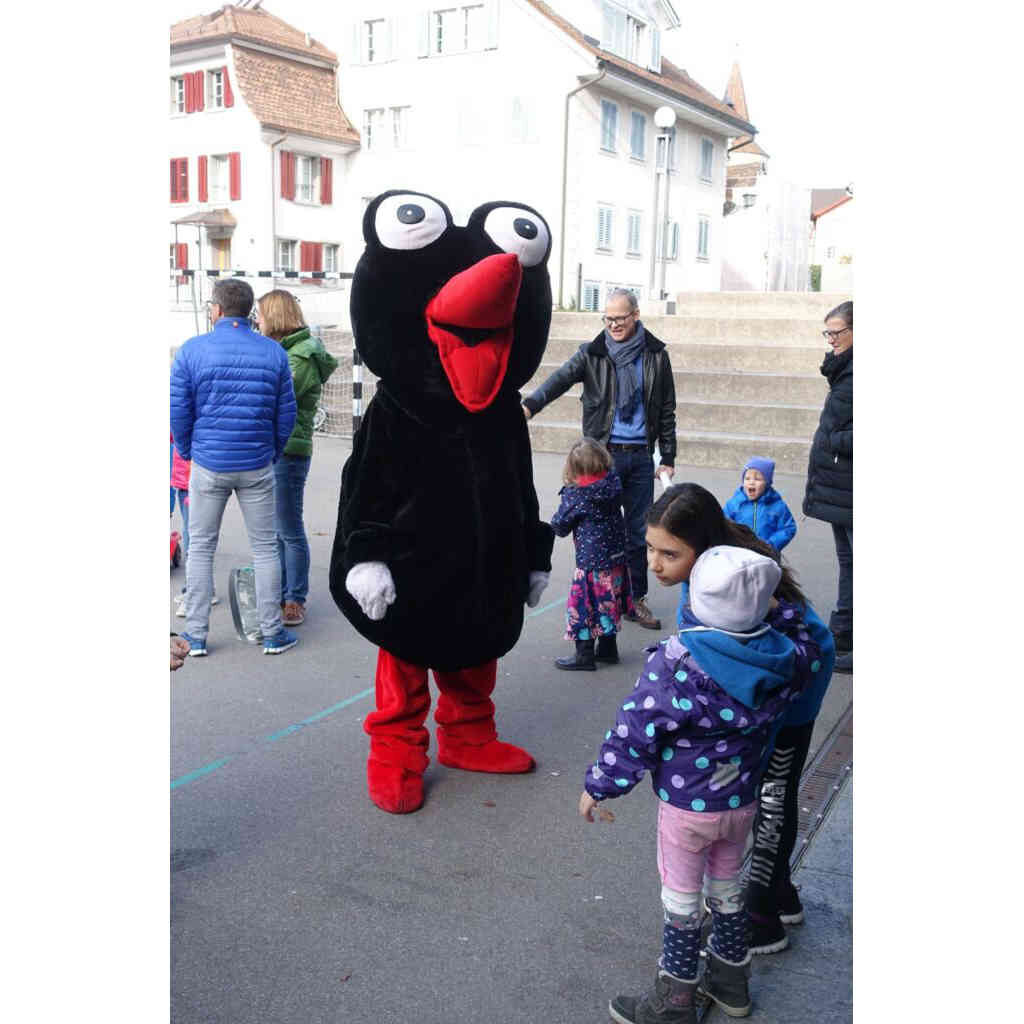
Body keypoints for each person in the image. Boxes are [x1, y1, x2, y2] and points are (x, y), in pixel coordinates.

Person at [580, 542, 819, 1023]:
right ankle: (732, 984)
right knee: (728, 890)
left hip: (687, 809)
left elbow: (635, 732)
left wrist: (600, 785)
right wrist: (777, 607)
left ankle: (675, 1000)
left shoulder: (678, 662)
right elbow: (809, 645)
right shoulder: (782, 658)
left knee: (682, 903)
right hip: (741, 803)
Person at [661, 483, 836, 956]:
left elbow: (746, 660)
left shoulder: (730, 580)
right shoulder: (708, 574)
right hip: (774, 681)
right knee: (767, 790)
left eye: (668, 553)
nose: (655, 563)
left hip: (793, 685)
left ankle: (761, 918)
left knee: (773, 795)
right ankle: (779, 893)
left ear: (700, 549)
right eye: (651, 548)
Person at [522, 288, 676, 630]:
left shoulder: (656, 355)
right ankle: (596, 599)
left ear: (635, 315)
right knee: (597, 532)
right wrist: (531, 405)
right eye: (607, 319)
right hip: (601, 459)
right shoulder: (592, 353)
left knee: (637, 533)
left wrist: (668, 456)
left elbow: (666, 408)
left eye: (620, 318)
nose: (613, 325)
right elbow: (559, 379)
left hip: (639, 458)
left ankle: (634, 600)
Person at [170, 278, 298, 657]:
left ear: (217, 309)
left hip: (208, 463)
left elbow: (179, 412)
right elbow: (285, 413)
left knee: (201, 549)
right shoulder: (273, 353)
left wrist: (191, 450)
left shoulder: (192, 351)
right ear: (249, 311)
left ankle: (194, 637)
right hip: (257, 464)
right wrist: (271, 451)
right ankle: (272, 634)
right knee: (264, 549)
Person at [254, 290, 338, 628]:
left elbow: (275, 398)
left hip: (289, 450)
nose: (256, 321)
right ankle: (281, 592)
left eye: (260, 315)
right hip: (276, 448)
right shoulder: (285, 351)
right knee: (276, 528)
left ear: (274, 317)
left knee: (288, 528)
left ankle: (294, 599)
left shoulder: (300, 356)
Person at [549, 438, 634, 671]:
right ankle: (608, 649)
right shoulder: (613, 483)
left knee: (583, 606)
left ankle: (584, 655)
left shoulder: (578, 494)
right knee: (609, 601)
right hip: (616, 557)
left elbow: (560, 526)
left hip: (591, 562)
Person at [803, 300, 853, 671]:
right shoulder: (845, 370)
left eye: (836, 332)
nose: (830, 340)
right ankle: (844, 632)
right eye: (828, 333)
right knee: (849, 561)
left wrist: (833, 439)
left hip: (851, 483)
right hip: (841, 485)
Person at [171, 432, 217, 614]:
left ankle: (197, 593)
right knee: (193, 536)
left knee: (196, 540)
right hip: (185, 475)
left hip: (195, 472)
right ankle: (200, 590)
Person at [722, 456, 797, 553]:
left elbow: (788, 528)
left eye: (757, 479)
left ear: (767, 483)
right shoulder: (734, 504)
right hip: (740, 553)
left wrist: (771, 544)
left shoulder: (777, 506)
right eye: (747, 478)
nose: (751, 482)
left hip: (767, 553)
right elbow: (723, 525)